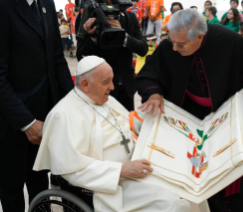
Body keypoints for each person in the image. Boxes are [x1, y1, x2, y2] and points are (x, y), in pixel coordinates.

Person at [135, 9, 243, 212]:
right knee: (191, 174)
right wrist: (153, 93)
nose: (174, 48)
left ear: (199, 36)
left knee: (227, 172)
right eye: (172, 42)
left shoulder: (230, 41)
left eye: (181, 44)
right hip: (186, 118)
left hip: (223, 119)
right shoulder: (170, 46)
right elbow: (148, 76)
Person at [33, 56, 191, 212]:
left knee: (185, 188)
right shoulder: (64, 114)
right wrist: (121, 170)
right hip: (107, 187)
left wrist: (149, 115)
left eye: (112, 80)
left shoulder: (105, 99)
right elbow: (72, 171)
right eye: (106, 82)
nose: (113, 87)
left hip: (135, 170)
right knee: (171, 204)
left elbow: (126, 126)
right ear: (85, 84)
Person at [0, 0, 74, 211]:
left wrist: (75, 104)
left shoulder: (46, 4)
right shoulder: (4, 7)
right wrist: (27, 123)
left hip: (44, 119)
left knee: (40, 187)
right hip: (12, 122)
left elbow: (57, 60)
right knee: (12, 191)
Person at [77, 0, 148, 111]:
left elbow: (143, 49)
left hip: (125, 88)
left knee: (126, 125)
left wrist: (123, 36)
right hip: (99, 90)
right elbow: (81, 56)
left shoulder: (130, 17)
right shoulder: (87, 18)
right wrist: (93, 38)